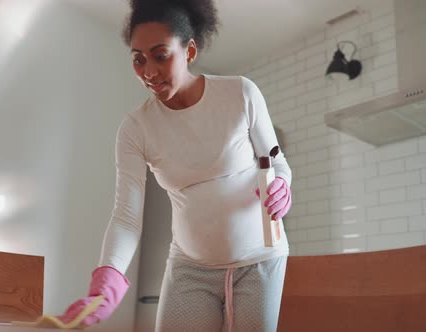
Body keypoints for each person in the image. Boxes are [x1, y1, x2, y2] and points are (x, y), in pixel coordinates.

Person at [58, 0, 292, 331]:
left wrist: (282, 184)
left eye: (160, 55)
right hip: (189, 267)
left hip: (259, 261)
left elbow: (277, 163)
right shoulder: (136, 128)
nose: (148, 72)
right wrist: (108, 276)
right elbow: (126, 216)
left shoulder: (240, 94)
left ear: (190, 51)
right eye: (138, 60)